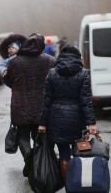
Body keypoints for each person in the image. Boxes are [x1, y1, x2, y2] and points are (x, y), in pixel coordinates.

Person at [38, 44, 96, 185]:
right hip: (77, 119)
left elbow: (46, 101)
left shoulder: (52, 73)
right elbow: (86, 100)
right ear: (78, 57)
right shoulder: (83, 74)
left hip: (56, 118)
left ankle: (67, 184)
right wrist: (91, 123)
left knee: (63, 153)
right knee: (79, 151)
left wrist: (42, 123)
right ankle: (79, 181)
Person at [3, 33, 56, 177]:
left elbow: (9, 81)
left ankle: (29, 157)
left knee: (23, 135)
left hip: (21, 106)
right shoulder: (51, 61)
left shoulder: (15, 62)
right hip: (43, 106)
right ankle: (37, 161)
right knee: (39, 135)